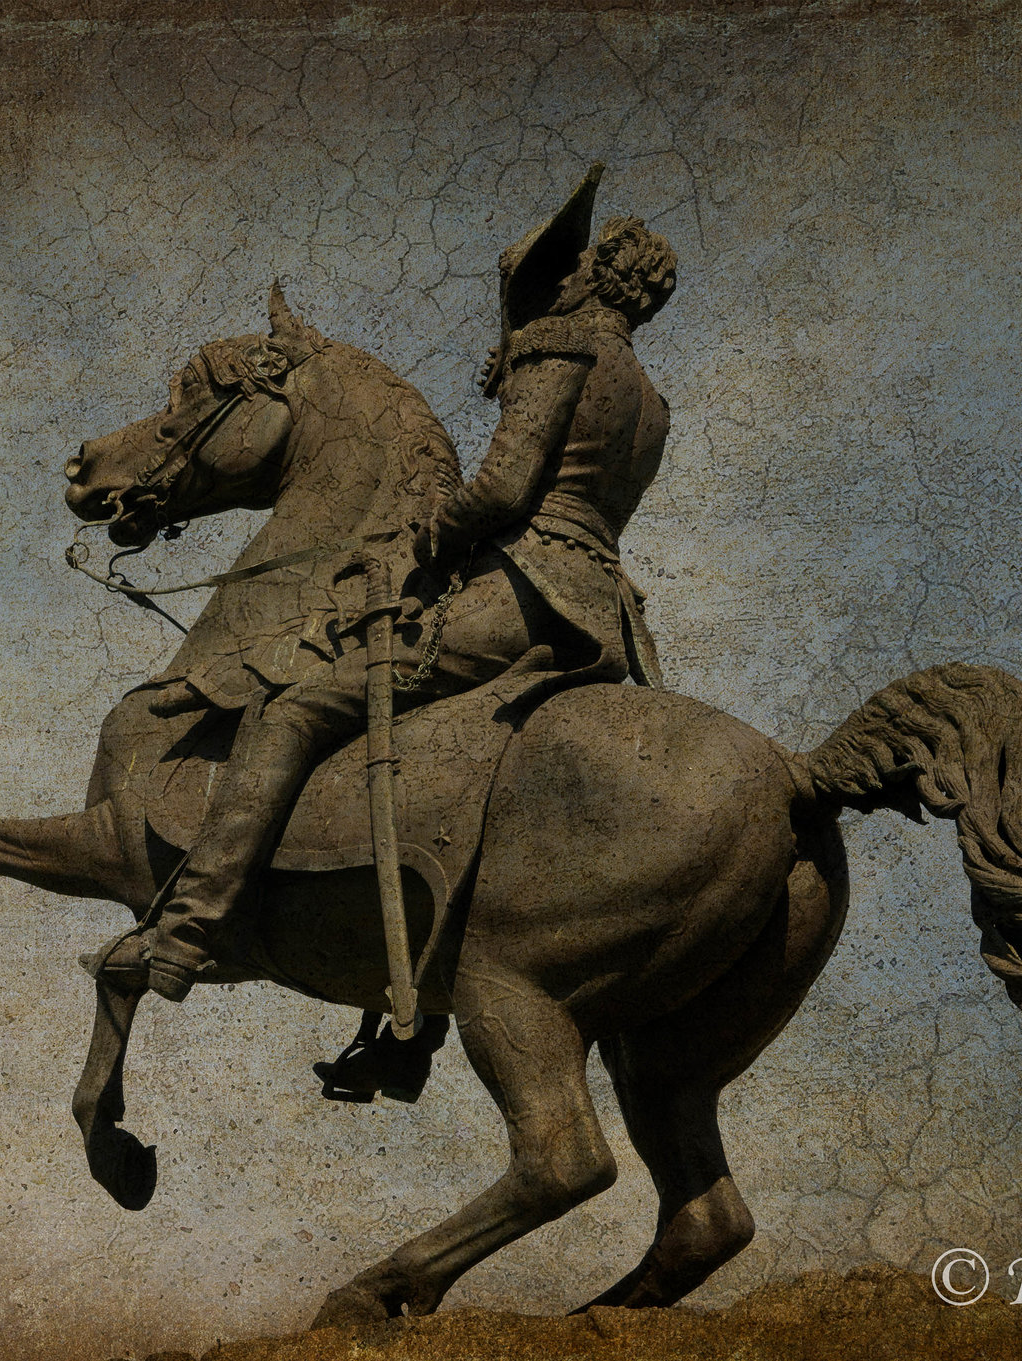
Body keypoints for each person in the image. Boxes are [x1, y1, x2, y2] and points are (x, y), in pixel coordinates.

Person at [134, 164, 679, 1003]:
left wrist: (431, 531)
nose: (551, 280)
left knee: (297, 709)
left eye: (565, 269)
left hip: (522, 593)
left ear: (590, 276)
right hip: (604, 613)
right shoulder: (651, 400)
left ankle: (187, 927)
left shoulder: (559, 346)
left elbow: (504, 489)